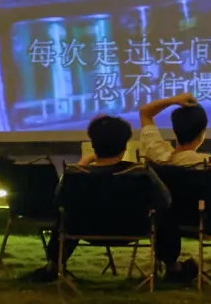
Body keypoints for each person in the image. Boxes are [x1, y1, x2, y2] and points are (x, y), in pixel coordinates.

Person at [29, 116, 191, 283]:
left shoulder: (74, 175)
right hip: (134, 228)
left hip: (83, 229)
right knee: (165, 215)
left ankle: (53, 266)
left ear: (93, 145)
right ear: (125, 146)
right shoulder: (141, 173)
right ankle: (173, 267)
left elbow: (58, 200)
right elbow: (165, 200)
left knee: (65, 215)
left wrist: (83, 164)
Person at [139, 92, 211, 167]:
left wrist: (175, 100)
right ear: (201, 135)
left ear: (174, 130)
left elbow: (145, 112)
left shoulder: (157, 155)